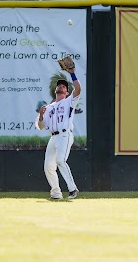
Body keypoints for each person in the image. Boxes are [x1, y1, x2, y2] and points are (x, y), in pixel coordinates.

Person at [36, 66, 81, 200]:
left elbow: (78, 89)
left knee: (60, 160)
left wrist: (72, 74)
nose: (61, 86)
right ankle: (56, 193)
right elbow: (41, 126)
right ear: (55, 90)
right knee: (48, 166)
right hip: (53, 137)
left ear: (67, 92)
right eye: (59, 85)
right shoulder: (48, 108)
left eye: (64, 86)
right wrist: (40, 117)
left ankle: (73, 189)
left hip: (64, 134)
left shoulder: (69, 102)